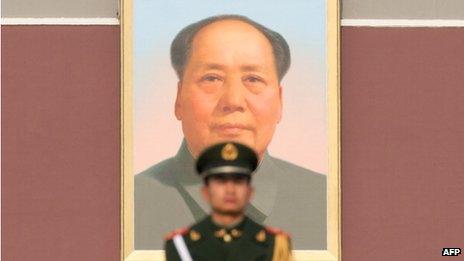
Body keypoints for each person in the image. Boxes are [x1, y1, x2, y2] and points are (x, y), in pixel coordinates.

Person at [135, 14, 326, 250]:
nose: (233, 101)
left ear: (280, 101)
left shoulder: (326, 202)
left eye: (253, 79)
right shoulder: (130, 203)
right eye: (212, 78)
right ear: (178, 99)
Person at [164, 142, 292, 261]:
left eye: (238, 181)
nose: (230, 190)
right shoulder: (182, 245)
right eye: (221, 181)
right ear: (205, 192)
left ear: (250, 192)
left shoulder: (274, 244)